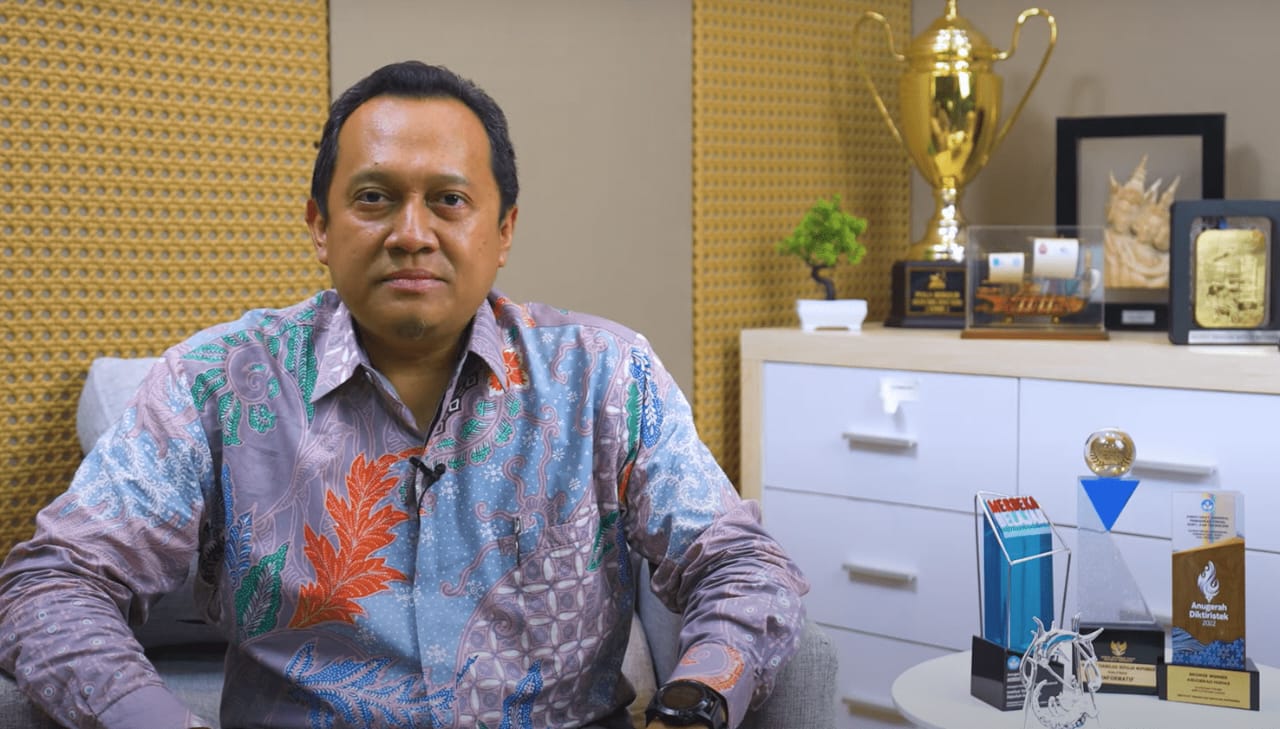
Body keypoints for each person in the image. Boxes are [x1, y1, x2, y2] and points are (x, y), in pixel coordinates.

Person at [0, 61, 808, 729]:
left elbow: (741, 564)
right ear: (319, 225)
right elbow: (53, 583)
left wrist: (695, 703)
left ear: (503, 230)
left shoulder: (607, 376)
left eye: (449, 200)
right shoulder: (216, 383)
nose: (411, 233)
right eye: (373, 198)